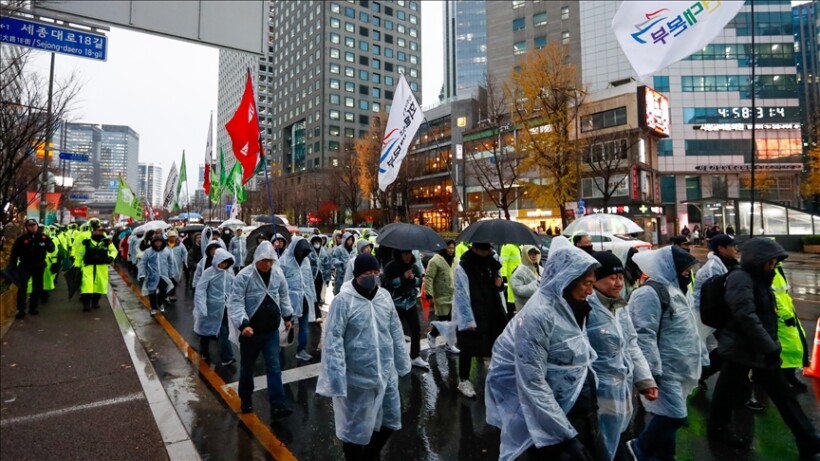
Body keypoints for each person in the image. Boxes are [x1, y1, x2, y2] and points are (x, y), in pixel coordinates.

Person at [485, 241, 606, 461]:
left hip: (578, 410)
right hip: (555, 418)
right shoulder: (538, 315)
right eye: (586, 284)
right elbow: (533, 382)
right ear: (567, 281)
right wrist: (565, 437)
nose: (590, 291)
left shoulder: (572, 306)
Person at [707, 238, 820, 458]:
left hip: (759, 349)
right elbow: (745, 316)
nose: (773, 267)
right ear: (758, 261)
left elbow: (767, 316)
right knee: (725, 393)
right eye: (770, 262)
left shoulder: (760, 278)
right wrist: (770, 347)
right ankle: (717, 429)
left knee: (784, 397)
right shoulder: (741, 278)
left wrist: (771, 345)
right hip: (742, 349)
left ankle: (808, 440)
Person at [317, 254, 411, 460]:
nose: (373, 276)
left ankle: (372, 453)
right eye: (368, 273)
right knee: (354, 431)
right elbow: (333, 342)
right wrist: (336, 381)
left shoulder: (384, 297)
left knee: (390, 420)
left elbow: (395, 330)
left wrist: (402, 363)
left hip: (385, 374)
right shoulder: (343, 301)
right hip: (356, 380)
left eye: (376, 272)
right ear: (358, 275)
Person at [626, 246, 702, 461]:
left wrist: (702, 359)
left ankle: (664, 455)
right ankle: (638, 448)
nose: (688, 275)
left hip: (680, 368)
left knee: (666, 413)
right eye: (685, 270)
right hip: (663, 369)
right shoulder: (649, 293)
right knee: (676, 415)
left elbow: (691, 330)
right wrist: (651, 371)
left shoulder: (677, 290)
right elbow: (643, 333)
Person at [587, 251, 657, 461]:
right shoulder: (586, 308)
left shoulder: (619, 306)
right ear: (596, 280)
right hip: (598, 393)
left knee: (616, 437)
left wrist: (645, 380)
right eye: (612, 277)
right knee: (601, 444)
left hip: (622, 389)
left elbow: (631, 344)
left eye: (620, 277)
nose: (618, 283)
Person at [227, 241, 294, 419]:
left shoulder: (277, 275)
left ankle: (278, 404)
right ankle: (246, 399)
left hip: (271, 331)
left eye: (271, 260)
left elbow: (284, 296)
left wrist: (287, 317)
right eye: (264, 260)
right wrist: (243, 324)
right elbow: (235, 302)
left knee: (274, 367)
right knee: (247, 368)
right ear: (257, 259)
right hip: (251, 333)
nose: (267, 264)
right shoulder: (244, 276)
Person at [453, 242, 508, 398]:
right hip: (474, 310)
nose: (487, 252)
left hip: (491, 309)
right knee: (468, 346)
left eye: (488, 249)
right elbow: (461, 294)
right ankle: (464, 380)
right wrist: (467, 319)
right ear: (475, 249)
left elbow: (496, 285)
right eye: (484, 250)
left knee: (495, 342)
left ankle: (495, 376)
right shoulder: (463, 267)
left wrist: (499, 285)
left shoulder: (491, 263)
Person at [693, 234, 739, 390]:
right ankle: (701, 373)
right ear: (721, 248)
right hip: (710, 314)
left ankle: (702, 373)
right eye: (732, 246)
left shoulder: (730, 263)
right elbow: (718, 295)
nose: (735, 249)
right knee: (731, 348)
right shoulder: (714, 267)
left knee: (732, 349)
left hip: (719, 314)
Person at [383, 248, 428, 369]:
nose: (408, 257)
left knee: (415, 328)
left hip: (411, 302)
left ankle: (415, 356)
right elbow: (386, 283)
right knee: (395, 331)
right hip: (396, 304)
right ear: (399, 254)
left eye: (409, 254)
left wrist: (413, 279)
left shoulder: (413, 265)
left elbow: (420, 281)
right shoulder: (391, 266)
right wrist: (402, 277)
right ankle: (392, 357)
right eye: (405, 254)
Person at [194, 248, 236, 366]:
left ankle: (227, 357)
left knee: (223, 331)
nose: (224, 264)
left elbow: (235, 287)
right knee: (206, 331)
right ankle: (203, 351)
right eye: (222, 262)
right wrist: (201, 307)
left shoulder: (228, 273)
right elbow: (200, 290)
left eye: (226, 262)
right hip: (210, 307)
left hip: (224, 308)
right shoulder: (208, 272)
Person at [773, 260, 809, 391]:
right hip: (783, 317)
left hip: (787, 314)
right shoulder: (771, 270)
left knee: (793, 344)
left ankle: (787, 377)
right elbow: (775, 297)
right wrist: (786, 315)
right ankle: (787, 378)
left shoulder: (776, 269)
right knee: (789, 347)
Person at [280, 236, 317, 362]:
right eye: (300, 251)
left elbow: (310, 279)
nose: (301, 253)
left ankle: (301, 350)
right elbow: (278, 282)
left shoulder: (306, 261)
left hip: (305, 299)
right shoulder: (284, 261)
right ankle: (280, 348)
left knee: (304, 328)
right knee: (286, 327)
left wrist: (314, 297)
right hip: (290, 301)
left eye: (304, 251)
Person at [10, 218, 55, 319]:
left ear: (37, 226)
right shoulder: (21, 239)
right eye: (30, 225)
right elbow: (14, 254)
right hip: (25, 266)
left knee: (37, 287)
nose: (33, 227)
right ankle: (21, 310)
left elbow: (52, 249)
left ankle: (33, 308)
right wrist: (13, 266)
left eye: (34, 225)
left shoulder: (43, 237)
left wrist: (49, 245)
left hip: (39, 265)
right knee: (22, 287)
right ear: (27, 227)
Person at [425, 240, 459, 353]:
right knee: (445, 320)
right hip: (440, 295)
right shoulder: (435, 260)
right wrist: (428, 293)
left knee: (448, 320)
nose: (451, 250)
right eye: (449, 248)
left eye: (453, 248)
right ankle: (448, 343)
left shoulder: (455, 260)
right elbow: (429, 277)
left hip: (452, 295)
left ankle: (433, 335)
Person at [76, 221, 118, 312]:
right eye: (98, 231)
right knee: (86, 286)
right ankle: (86, 304)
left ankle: (95, 302)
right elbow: (80, 254)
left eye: (102, 231)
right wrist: (77, 265)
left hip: (101, 267)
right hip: (88, 267)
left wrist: (111, 257)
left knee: (99, 286)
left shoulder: (107, 242)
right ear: (94, 231)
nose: (100, 232)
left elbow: (114, 251)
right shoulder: (87, 242)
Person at [138, 234, 176, 317]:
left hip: (164, 275)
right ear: (153, 242)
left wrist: (171, 273)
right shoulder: (148, 251)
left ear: (162, 242)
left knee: (163, 292)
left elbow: (170, 263)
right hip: (152, 275)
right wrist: (141, 274)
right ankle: (154, 308)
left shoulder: (167, 251)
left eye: (160, 241)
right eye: (156, 241)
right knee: (152, 292)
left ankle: (160, 303)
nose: (158, 243)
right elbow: (143, 263)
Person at [510, 245, 541, 313]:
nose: (534, 256)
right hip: (524, 311)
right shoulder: (519, 272)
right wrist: (536, 285)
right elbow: (518, 290)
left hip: (539, 310)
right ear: (524, 255)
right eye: (530, 254)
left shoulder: (541, 270)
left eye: (535, 253)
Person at [309, 234, 332, 319]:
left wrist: (327, 278)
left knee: (318, 295)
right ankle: (316, 314)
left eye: (318, 242)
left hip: (320, 278)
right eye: (315, 242)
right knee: (312, 295)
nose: (317, 244)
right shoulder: (309, 252)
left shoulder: (323, 252)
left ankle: (315, 310)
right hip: (311, 278)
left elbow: (327, 266)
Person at [166, 230, 187, 302]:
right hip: (167, 265)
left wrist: (186, 262)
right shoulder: (165, 245)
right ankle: (170, 293)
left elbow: (185, 253)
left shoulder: (180, 245)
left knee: (175, 279)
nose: (172, 238)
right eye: (171, 237)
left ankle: (172, 292)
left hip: (177, 265)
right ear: (168, 237)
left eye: (173, 237)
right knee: (168, 279)